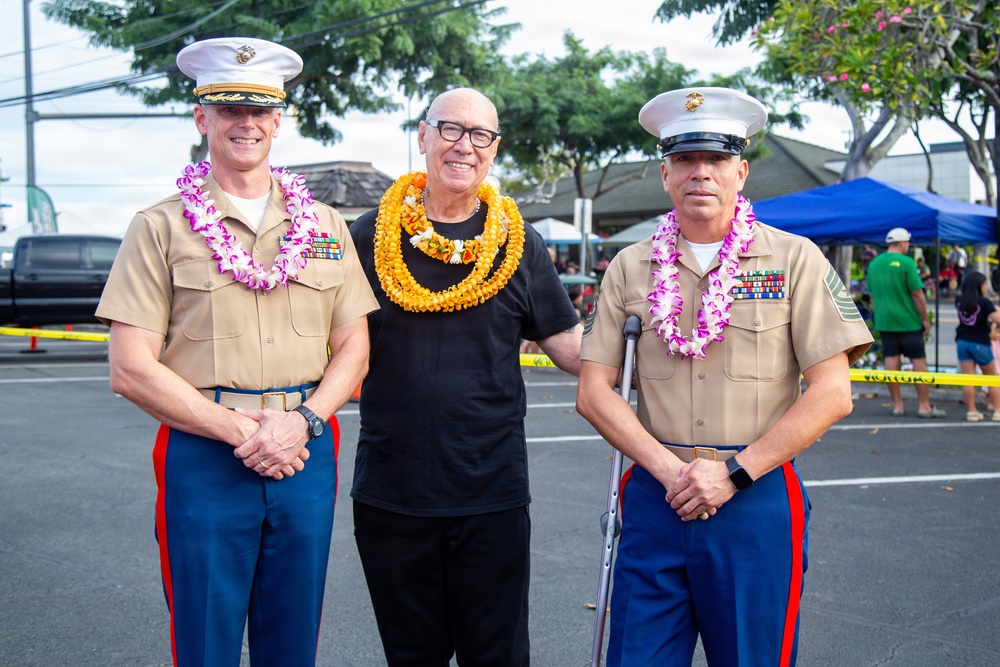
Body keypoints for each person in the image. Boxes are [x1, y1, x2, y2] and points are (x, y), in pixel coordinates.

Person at [95, 37, 379, 666]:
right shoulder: (159, 227)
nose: (245, 123)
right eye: (229, 109)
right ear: (202, 117)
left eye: (260, 110)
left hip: (305, 451)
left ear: (278, 121)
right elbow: (130, 367)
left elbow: (354, 348)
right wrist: (242, 432)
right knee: (205, 642)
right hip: (204, 453)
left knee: (293, 640)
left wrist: (301, 423)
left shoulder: (326, 226)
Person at [575, 87, 873, 667]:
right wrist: (671, 472)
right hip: (657, 494)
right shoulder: (629, 267)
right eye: (685, 159)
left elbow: (833, 393)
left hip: (755, 494)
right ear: (665, 174)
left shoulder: (795, 259)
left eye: (716, 158)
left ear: (741, 171)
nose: (701, 173)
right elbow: (593, 391)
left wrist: (733, 475)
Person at [348, 87, 582, 666]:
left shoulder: (519, 242)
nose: (464, 146)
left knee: (497, 657)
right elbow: (324, 342)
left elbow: (572, 349)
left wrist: (671, 346)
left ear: (494, 149)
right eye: (450, 129)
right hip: (392, 492)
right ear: (423, 136)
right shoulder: (368, 235)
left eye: (480, 135)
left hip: (491, 494)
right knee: (412, 657)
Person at [866, 227, 946, 417]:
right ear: (902, 243)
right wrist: (925, 319)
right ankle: (924, 406)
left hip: (885, 322)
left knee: (891, 360)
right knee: (918, 361)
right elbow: (917, 293)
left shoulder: (874, 264)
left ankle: (897, 405)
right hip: (909, 321)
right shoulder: (907, 263)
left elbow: (872, 295)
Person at [954, 271, 1000, 421]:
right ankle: (998, 411)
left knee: (968, 378)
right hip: (980, 343)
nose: (986, 287)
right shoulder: (984, 303)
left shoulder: (959, 301)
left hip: (962, 342)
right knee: (992, 377)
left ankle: (972, 411)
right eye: (985, 284)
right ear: (979, 286)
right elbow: (997, 318)